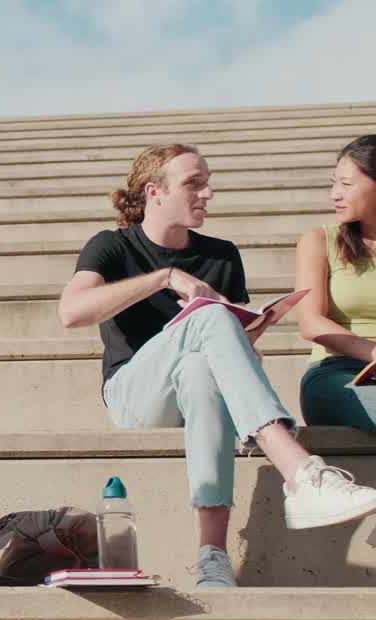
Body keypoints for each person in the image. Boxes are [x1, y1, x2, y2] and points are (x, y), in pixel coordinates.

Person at [58, 144, 376, 588]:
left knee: (201, 370)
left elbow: (230, 364)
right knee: (208, 316)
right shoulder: (111, 245)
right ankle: (300, 472)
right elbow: (71, 312)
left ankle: (212, 558)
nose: (207, 193)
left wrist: (245, 338)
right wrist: (164, 278)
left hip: (196, 391)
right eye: (194, 183)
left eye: (208, 182)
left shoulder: (222, 255)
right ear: (155, 191)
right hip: (135, 396)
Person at [296, 135, 376, 429]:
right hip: (336, 372)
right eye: (334, 183)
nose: (334, 194)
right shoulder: (319, 240)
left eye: (346, 184)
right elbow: (311, 323)